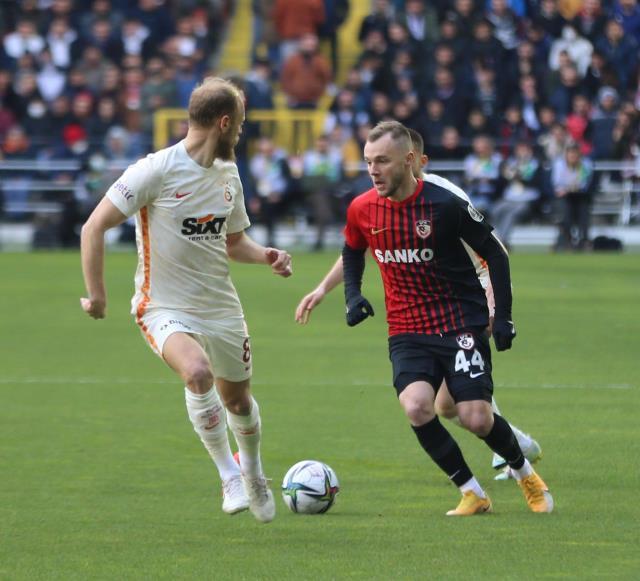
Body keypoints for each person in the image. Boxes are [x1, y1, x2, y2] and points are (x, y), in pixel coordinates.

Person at [302, 121, 554, 515]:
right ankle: (472, 491)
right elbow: (355, 246)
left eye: (381, 161)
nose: (372, 170)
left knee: (473, 416)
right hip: (407, 328)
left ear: (411, 161)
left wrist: (500, 314)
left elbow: (494, 251)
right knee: (423, 407)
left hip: (459, 316)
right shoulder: (364, 205)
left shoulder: (444, 201)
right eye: (368, 162)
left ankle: (525, 473)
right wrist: (346, 294)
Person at [80, 77, 293, 523]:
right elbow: (93, 227)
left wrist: (266, 256)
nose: (241, 132)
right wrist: (97, 295)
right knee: (197, 374)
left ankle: (252, 469)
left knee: (238, 401)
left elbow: (233, 242)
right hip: (162, 306)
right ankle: (228, 475)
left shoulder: (228, 173)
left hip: (221, 306)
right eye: (239, 124)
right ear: (223, 122)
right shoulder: (154, 170)